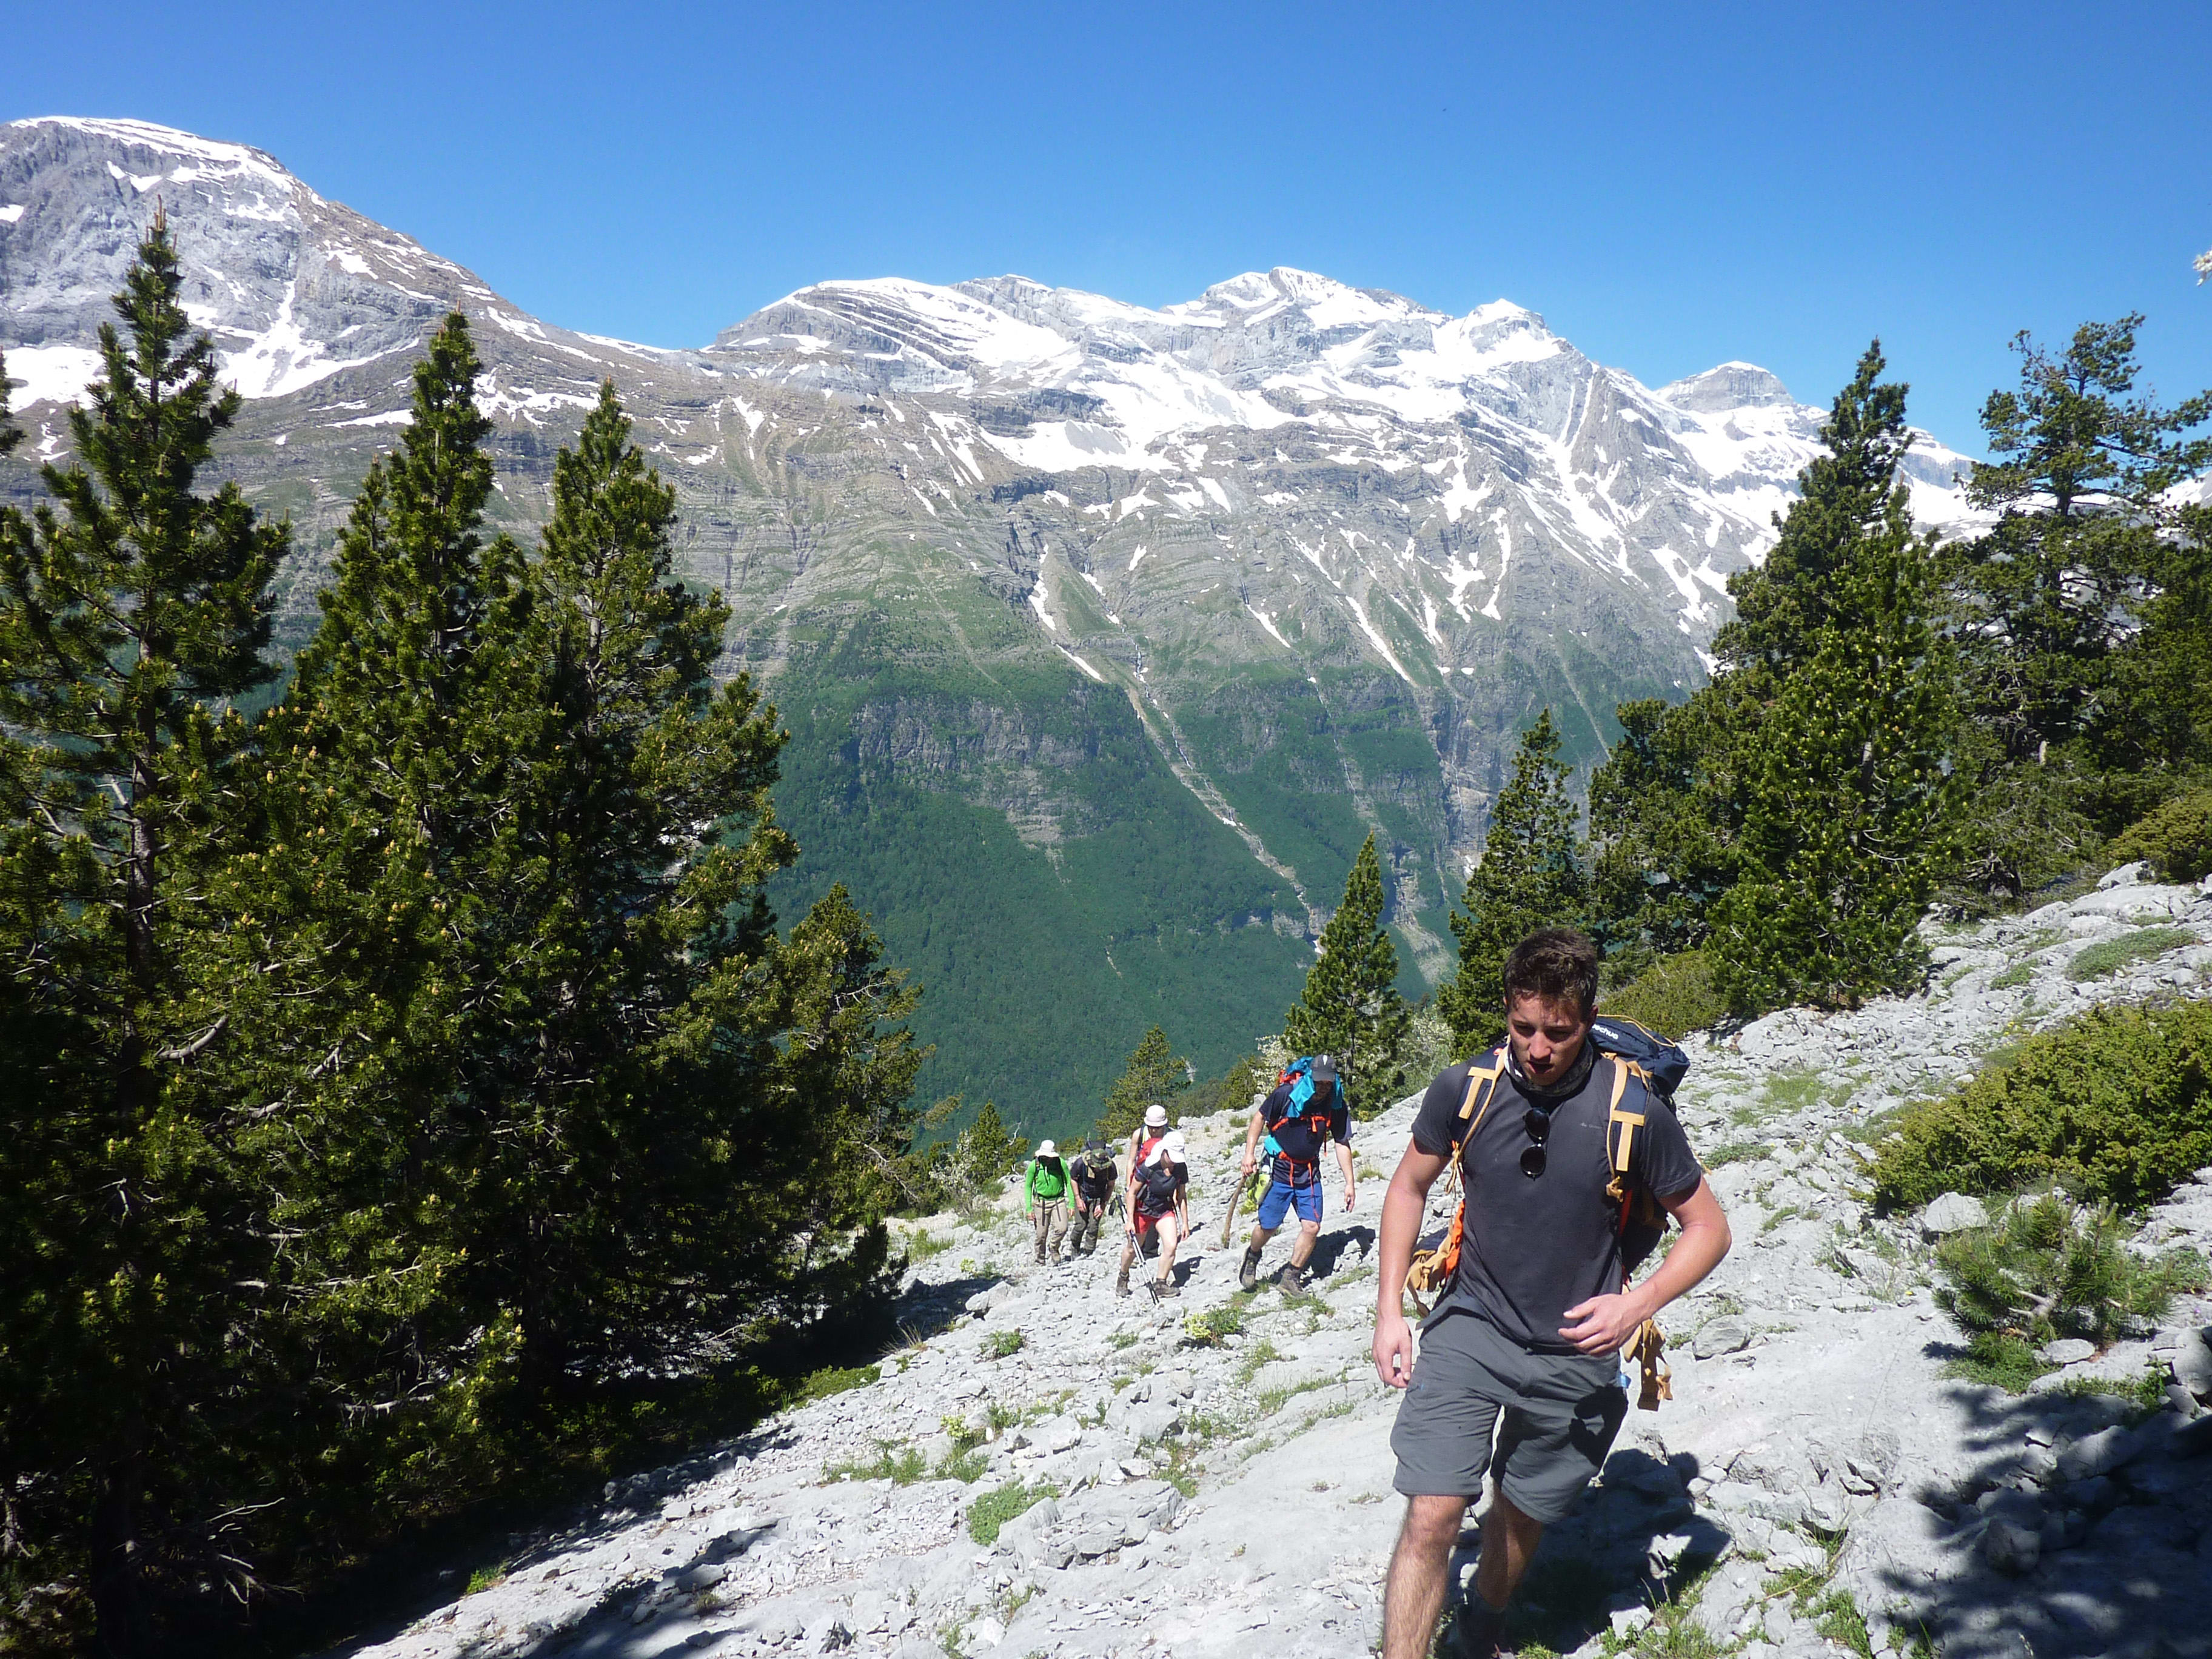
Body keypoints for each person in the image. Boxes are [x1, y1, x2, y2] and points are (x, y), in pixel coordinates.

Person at [1370, 928, 1732, 1659]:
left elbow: (1709, 1229)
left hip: (1578, 1342)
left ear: (1588, 1022)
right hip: (1472, 1323)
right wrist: (1388, 1311)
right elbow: (1408, 1186)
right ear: (1507, 1012)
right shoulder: (1465, 1089)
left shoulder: (1636, 1112)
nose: (1537, 1049)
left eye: (1558, 1034)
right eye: (1523, 1028)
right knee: (1434, 1514)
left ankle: (1484, 1620)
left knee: (1522, 1512)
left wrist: (1639, 1304)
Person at [1239, 1053, 1355, 1294]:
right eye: (1319, 1081)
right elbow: (1260, 1117)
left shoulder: (1335, 1104)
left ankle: (1291, 1277)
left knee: (1312, 1226)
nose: (1323, 1087)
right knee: (1268, 1227)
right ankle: (1253, 1255)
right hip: (1280, 1169)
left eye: (1328, 1082)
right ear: (1311, 1077)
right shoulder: (1286, 1095)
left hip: (1308, 1172)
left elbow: (1341, 1142)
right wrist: (1249, 1153)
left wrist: (1350, 1183)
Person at [1117, 1121, 1190, 1300]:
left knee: (1171, 1245)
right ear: (1164, 1151)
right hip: (1142, 1210)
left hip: (1163, 1208)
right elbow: (1132, 1193)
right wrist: (1129, 1221)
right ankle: (1123, 1276)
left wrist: (1186, 1222)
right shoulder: (1149, 1167)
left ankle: (1160, 1284)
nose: (1174, 1161)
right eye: (1171, 1156)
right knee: (1133, 1249)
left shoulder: (1180, 1168)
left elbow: (1181, 1195)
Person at [1068, 1138, 1119, 1256]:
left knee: (1093, 1226)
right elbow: (1073, 1180)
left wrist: (1103, 1205)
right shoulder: (1080, 1164)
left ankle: (1089, 1252)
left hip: (1099, 1198)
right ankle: (1074, 1247)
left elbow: (1111, 1185)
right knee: (1080, 1225)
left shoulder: (1110, 1167)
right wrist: (1078, 1199)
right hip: (1083, 1196)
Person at [1024, 1139, 1071, 1265]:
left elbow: (1068, 1182)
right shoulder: (1035, 1166)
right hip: (1040, 1203)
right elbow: (1028, 1186)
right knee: (1041, 1234)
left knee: (1062, 1228)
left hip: (1058, 1200)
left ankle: (1054, 1247)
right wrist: (1029, 1209)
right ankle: (1040, 1258)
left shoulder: (1061, 1164)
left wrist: (1071, 1203)